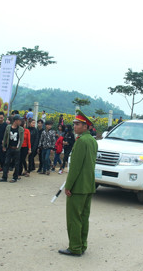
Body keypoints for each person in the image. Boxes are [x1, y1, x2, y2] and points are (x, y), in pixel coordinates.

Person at [58, 110, 98, 257]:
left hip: (79, 186)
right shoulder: (93, 140)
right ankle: (82, 245)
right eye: (74, 124)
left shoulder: (81, 141)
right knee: (84, 217)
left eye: (78, 124)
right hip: (88, 185)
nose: (75, 126)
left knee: (74, 218)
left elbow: (75, 167)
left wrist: (68, 185)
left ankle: (75, 247)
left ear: (86, 126)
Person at [0, 114, 24, 183]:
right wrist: (4, 146)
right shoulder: (8, 127)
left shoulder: (21, 129)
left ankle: (14, 177)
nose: (20, 122)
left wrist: (19, 148)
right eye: (19, 120)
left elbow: (21, 140)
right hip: (9, 148)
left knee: (16, 164)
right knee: (6, 162)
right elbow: (5, 137)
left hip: (16, 148)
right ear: (15, 121)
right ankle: (4, 177)